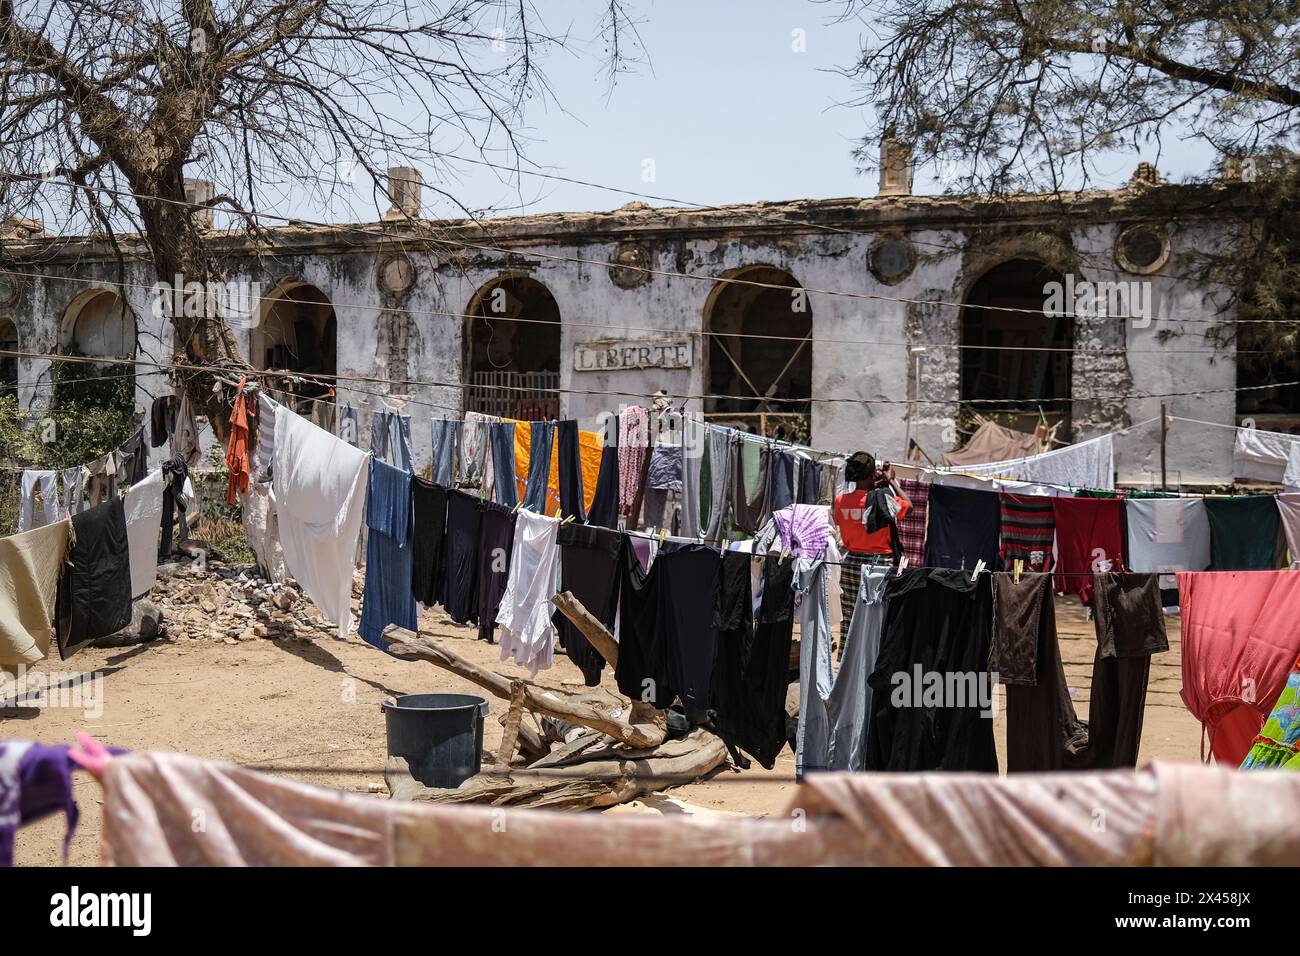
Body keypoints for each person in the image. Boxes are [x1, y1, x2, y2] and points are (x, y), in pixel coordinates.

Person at [832, 452, 911, 639]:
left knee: (850, 620)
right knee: (878, 619)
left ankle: (846, 659)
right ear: (871, 475)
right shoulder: (882, 500)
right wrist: (891, 481)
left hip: (851, 564)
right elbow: (908, 505)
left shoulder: (840, 500)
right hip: (880, 564)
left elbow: (854, 510)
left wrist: (871, 485)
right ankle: (872, 662)